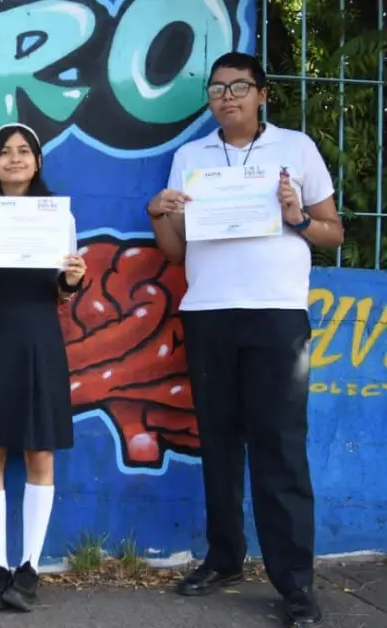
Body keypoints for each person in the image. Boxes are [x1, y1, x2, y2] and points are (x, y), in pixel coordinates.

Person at [148, 51, 341, 628]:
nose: (226, 96)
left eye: (238, 87)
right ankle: (225, 558)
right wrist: (159, 212)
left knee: (280, 447)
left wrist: (297, 218)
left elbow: (333, 233)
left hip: (277, 316)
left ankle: (296, 584)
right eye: (216, 89)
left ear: (262, 95)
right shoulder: (191, 157)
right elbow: (176, 251)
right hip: (208, 313)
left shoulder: (296, 149)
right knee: (220, 443)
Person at [0, 123, 86, 613]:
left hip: (38, 341)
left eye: (24, 151)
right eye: (4, 152)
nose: (15, 158)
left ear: (38, 161)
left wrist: (71, 282)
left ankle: (29, 566)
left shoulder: (58, 219)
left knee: (38, 454)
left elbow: (63, 293)